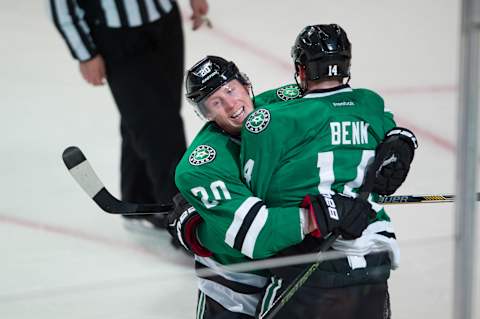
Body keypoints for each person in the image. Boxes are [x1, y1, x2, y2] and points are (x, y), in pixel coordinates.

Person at [170, 56, 379, 318]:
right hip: (236, 284)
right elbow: (256, 235)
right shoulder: (202, 164)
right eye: (215, 102)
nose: (230, 104)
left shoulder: (286, 102)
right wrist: (199, 233)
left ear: (246, 85)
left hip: (291, 267)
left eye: (230, 90)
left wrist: (396, 138)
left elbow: (349, 107)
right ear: (206, 114)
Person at [240, 24, 418, 318]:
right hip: (375, 259)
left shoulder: (274, 120)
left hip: (311, 263)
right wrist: (407, 139)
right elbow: (391, 142)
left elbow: (256, 195)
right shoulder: (371, 103)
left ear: (301, 70)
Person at [49, 0, 209, 229]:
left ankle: (140, 198)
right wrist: (85, 53)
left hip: (165, 22)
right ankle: (183, 220)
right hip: (116, 36)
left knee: (151, 115)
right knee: (160, 127)